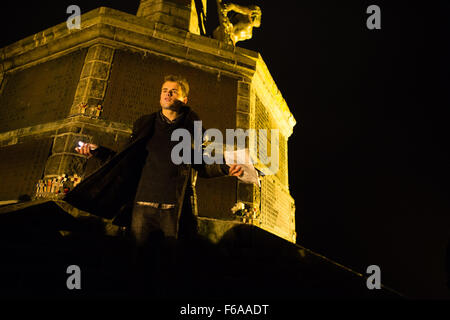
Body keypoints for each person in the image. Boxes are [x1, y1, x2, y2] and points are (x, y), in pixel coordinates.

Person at [65, 75, 243, 294]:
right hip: (142, 206)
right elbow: (125, 159)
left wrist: (225, 169)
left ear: (184, 99)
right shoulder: (144, 124)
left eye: (173, 91)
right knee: (136, 263)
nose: (167, 94)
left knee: (169, 268)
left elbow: (201, 165)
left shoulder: (194, 130)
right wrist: (97, 151)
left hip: (172, 209)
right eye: (164, 90)